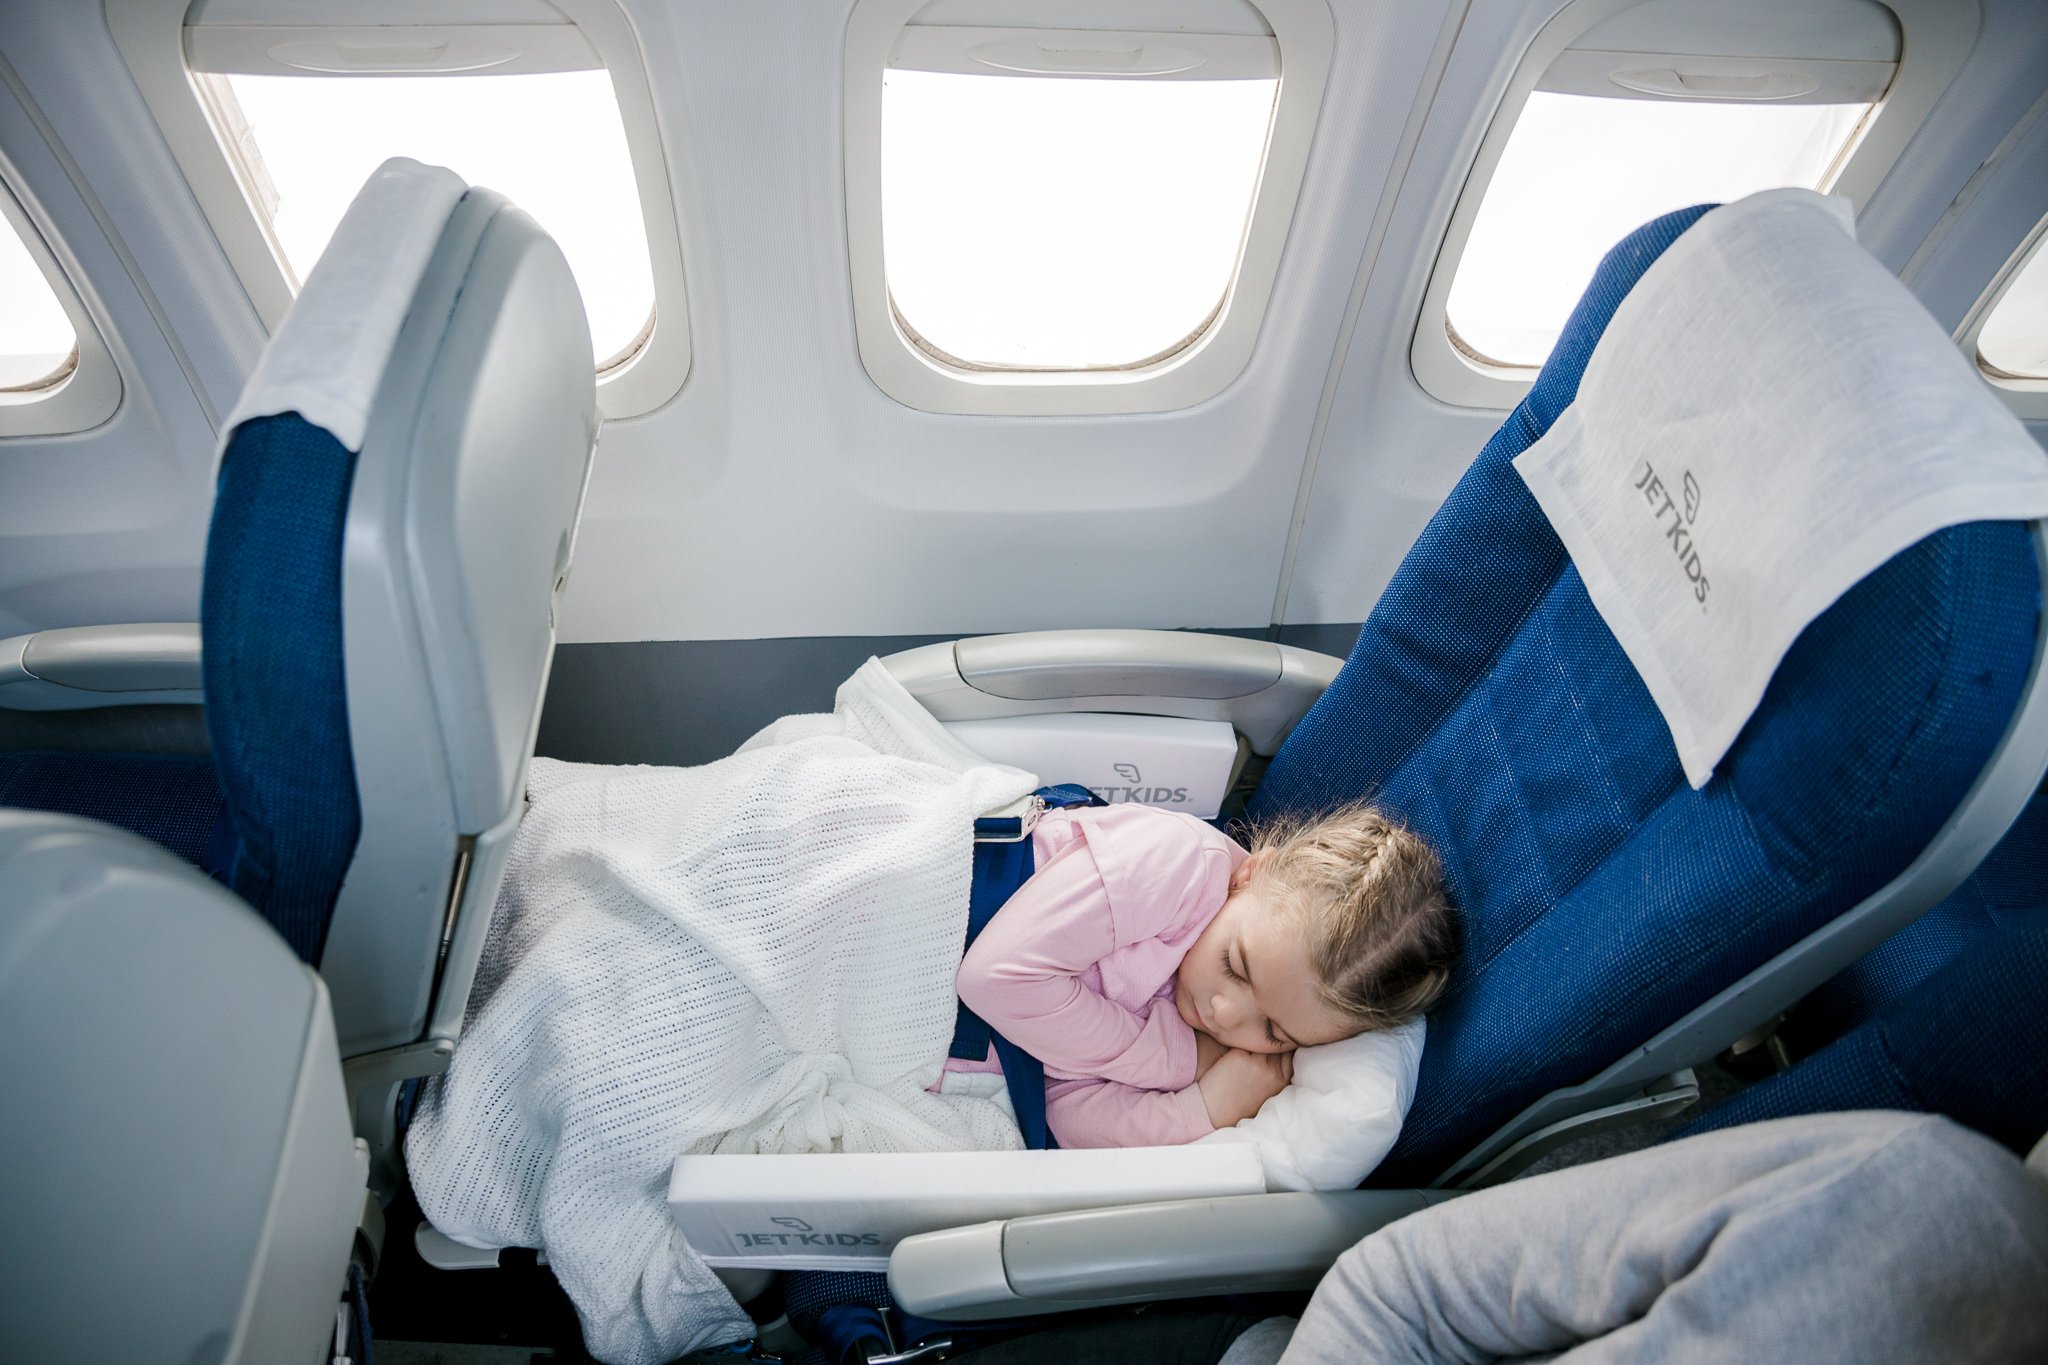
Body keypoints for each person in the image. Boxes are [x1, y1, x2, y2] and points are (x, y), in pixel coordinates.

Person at [952, 800, 1460, 1148]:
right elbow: (996, 978)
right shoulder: (1180, 865)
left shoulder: (1205, 1034)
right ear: (1250, 874)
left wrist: (1201, 1111)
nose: (1224, 1014)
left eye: (1274, 1032)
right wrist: (1173, 1061)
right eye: (1236, 968)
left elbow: (1063, 1116)